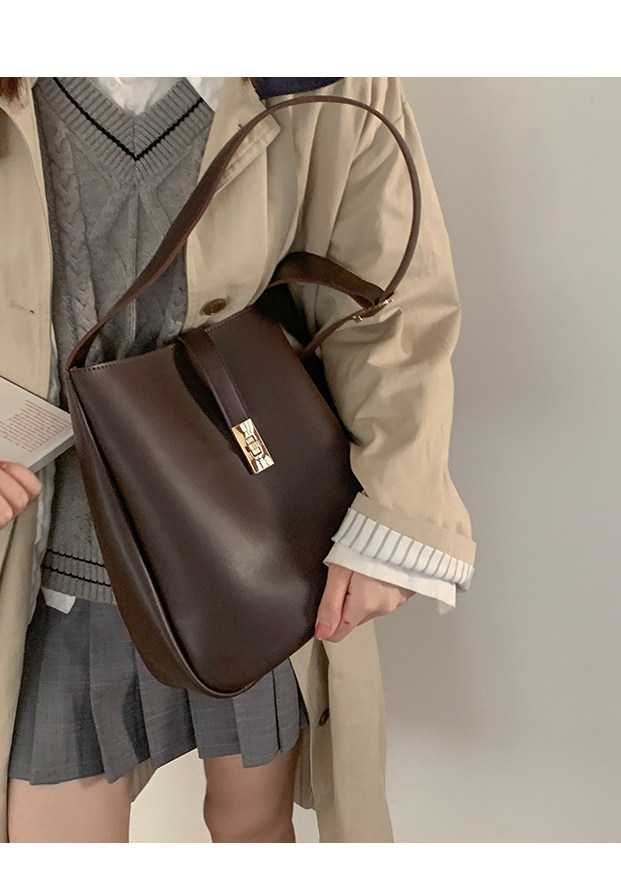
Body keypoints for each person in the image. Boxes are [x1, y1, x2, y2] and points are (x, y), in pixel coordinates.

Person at [0, 77, 477, 843]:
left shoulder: (326, 70)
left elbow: (392, 307)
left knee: (254, 829)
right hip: (44, 564)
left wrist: (399, 511)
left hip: (253, 546)